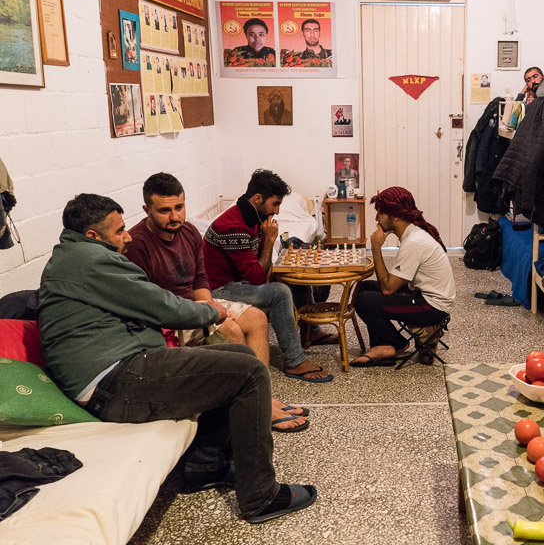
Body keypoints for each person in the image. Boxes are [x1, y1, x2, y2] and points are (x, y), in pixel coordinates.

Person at [38, 194, 317, 523]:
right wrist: (209, 311)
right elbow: (160, 305)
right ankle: (260, 496)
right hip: (114, 380)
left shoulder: (75, 256)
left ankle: (204, 466)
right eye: (120, 231)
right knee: (250, 371)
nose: (127, 236)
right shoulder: (90, 261)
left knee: (234, 358)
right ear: (93, 236)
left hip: (119, 370)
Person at [125, 173, 308, 433]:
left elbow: (200, 277)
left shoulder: (188, 232)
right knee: (232, 328)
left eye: (179, 207)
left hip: (198, 301)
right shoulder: (137, 244)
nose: (175, 216)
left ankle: (261, 397)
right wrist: (204, 312)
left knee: (257, 318)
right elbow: (149, 300)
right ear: (147, 210)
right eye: (164, 211)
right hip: (167, 314)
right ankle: (254, 405)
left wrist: (208, 305)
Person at [203, 169, 335, 382]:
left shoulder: (254, 217)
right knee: (279, 292)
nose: (278, 210)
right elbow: (256, 277)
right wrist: (270, 240)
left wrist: (275, 270)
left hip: (240, 281)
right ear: (257, 199)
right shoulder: (233, 226)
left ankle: (311, 331)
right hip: (221, 289)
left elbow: (259, 268)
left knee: (289, 277)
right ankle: (294, 361)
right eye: (275, 204)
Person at [349, 187, 455, 367]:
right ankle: (383, 344)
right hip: (421, 292)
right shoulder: (413, 233)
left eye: (381, 213)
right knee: (365, 287)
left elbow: (388, 288)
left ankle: (395, 344)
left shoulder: (413, 242)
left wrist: (376, 247)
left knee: (364, 300)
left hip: (432, 306)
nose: (377, 218)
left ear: (395, 216)